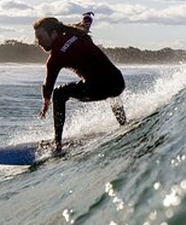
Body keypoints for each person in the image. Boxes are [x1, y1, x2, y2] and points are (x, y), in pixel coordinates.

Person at [34, 13, 126, 152]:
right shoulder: (76, 33)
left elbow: (49, 85)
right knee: (107, 86)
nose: (39, 43)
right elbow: (86, 25)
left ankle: (56, 143)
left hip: (101, 87)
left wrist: (46, 103)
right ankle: (123, 123)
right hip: (118, 82)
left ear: (53, 33)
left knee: (59, 93)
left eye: (41, 37)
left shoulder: (56, 56)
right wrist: (87, 17)